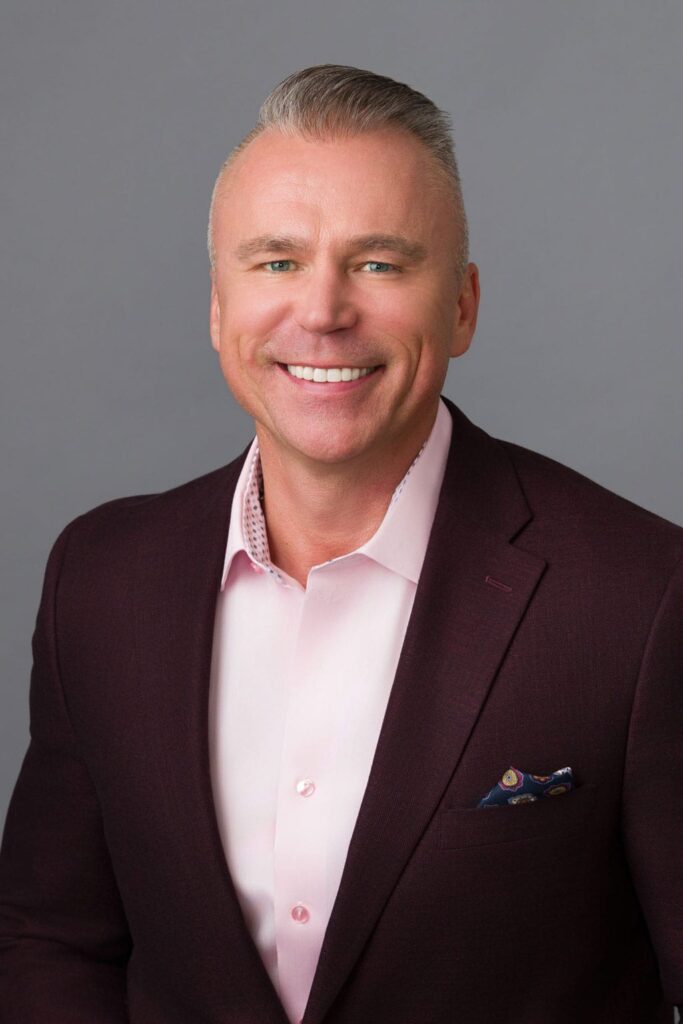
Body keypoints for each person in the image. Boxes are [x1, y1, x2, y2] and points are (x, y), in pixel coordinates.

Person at [0, 64, 681, 1024]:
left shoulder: (641, 598)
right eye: (276, 262)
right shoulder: (101, 581)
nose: (321, 312)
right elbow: (51, 937)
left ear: (462, 307)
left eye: (379, 264)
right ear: (217, 307)